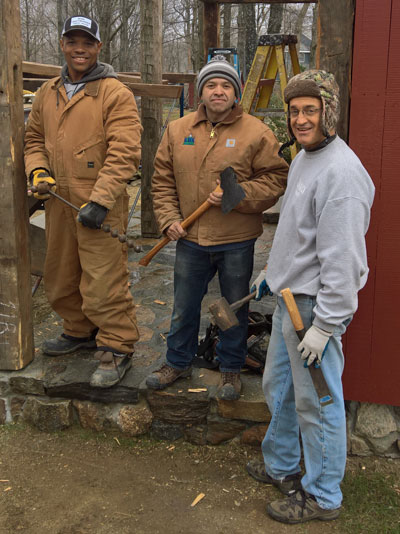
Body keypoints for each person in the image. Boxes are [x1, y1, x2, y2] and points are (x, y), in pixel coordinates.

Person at [248, 70, 375, 523]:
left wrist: (326, 325)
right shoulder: (304, 157)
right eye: (295, 111)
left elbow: (344, 261)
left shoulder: (342, 174)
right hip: (287, 296)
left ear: (329, 113)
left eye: (311, 110)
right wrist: (271, 271)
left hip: (311, 309)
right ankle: (281, 466)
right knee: (279, 388)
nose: (301, 119)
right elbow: (295, 231)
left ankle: (323, 495)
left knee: (318, 401)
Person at [145, 55, 288, 400]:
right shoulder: (178, 131)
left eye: (226, 85)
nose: (218, 91)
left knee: (233, 308)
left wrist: (238, 194)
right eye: (211, 85)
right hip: (190, 239)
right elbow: (161, 181)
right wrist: (168, 219)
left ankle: (230, 368)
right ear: (200, 92)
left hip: (235, 241)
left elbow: (276, 178)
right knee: (183, 306)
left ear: (236, 93)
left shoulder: (257, 132)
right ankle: (177, 362)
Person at [24, 15, 142, 388]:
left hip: (98, 202)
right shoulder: (47, 92)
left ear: (98, 48)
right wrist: (38, 172)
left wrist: (102, 199)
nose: (79, 49)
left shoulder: (114, 93)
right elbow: (32, 140)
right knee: (59, 273)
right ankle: (78, 330)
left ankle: (117, 345)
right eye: (73, 41)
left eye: (87, 42)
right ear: (62, 44)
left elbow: (125, 150)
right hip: (58, 200)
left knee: (104, 278)